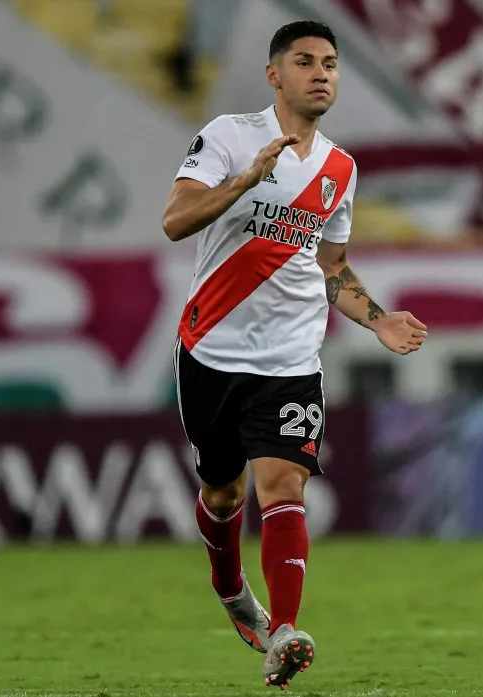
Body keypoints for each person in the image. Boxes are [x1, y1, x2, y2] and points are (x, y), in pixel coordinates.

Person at [161, 20, 428, 690]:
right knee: (223, 490)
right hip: (212, 350)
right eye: (305, 62)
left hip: (291, 358)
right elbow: (174, 220)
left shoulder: (341, 170)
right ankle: (228, 583)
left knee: (284, 486)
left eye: (331, 64)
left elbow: (332, 267)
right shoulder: (229, 136)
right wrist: (245, 182)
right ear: (274, 75)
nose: (321, 73)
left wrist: (377, 318)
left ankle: (284, 631)